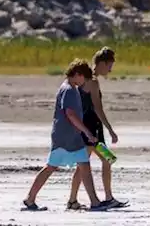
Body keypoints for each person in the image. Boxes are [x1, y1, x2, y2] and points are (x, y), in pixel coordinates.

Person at [22, 59, 110, 212]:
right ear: (77, 74)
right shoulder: (69, 89)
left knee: (82, 165)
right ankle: (30, 198)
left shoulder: (69, 88)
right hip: (66, 137)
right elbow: (70, 114)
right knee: (53, 167)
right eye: (83, 78)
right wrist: (87, 132)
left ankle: (94, 201)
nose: (84, 82)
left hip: (68, 136)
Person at [67, 46, 126, 210]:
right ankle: (104, 198)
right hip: (91, 130)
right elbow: (98, 108)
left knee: (90, 163)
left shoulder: (86, 78)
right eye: (110, 66)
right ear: (102, 63)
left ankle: (76, 200)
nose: (110, 70)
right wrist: (111, 130)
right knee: (98, 161)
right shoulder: (92, 81)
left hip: (89, 129)